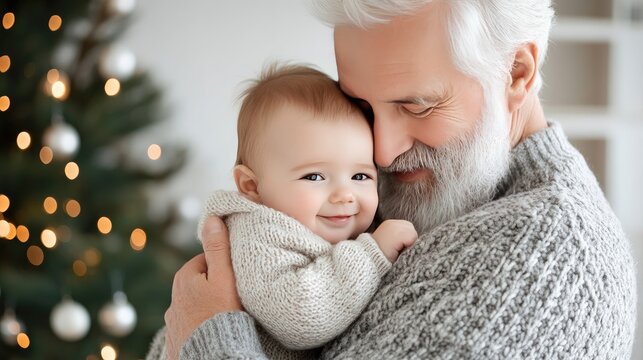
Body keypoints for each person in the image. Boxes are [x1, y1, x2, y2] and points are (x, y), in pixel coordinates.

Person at [155, 1, 637, 359]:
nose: (382, 152)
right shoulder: (411, 184)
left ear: (516, 73)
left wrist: (208, 332)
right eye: (362, 106)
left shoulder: (545, 263)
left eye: (416, 105)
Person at [146, 63, 417, 360]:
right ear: (252, 186)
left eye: (361, 176)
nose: (344, 195)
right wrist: (372, 254)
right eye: (314, 177)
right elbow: (300, 316)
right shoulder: (258, 235)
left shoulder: (334, 224)